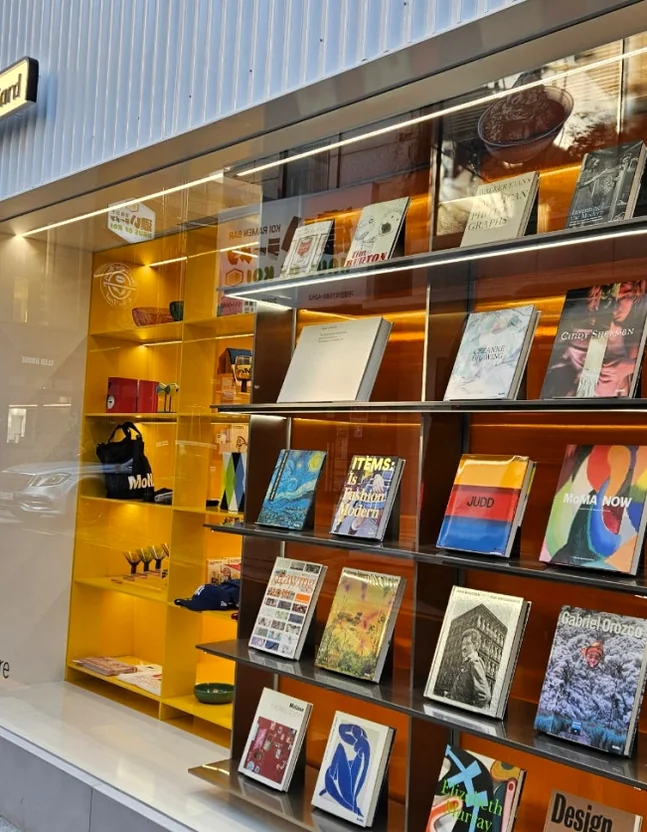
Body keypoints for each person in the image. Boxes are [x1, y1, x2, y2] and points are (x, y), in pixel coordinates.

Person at [448, 629, 492, 708]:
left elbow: (484, 696)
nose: (463, 647)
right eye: (463, 644)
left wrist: (468, 711)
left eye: (468, 643)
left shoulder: (474, 662)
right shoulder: (467, 663)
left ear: (475, 645)